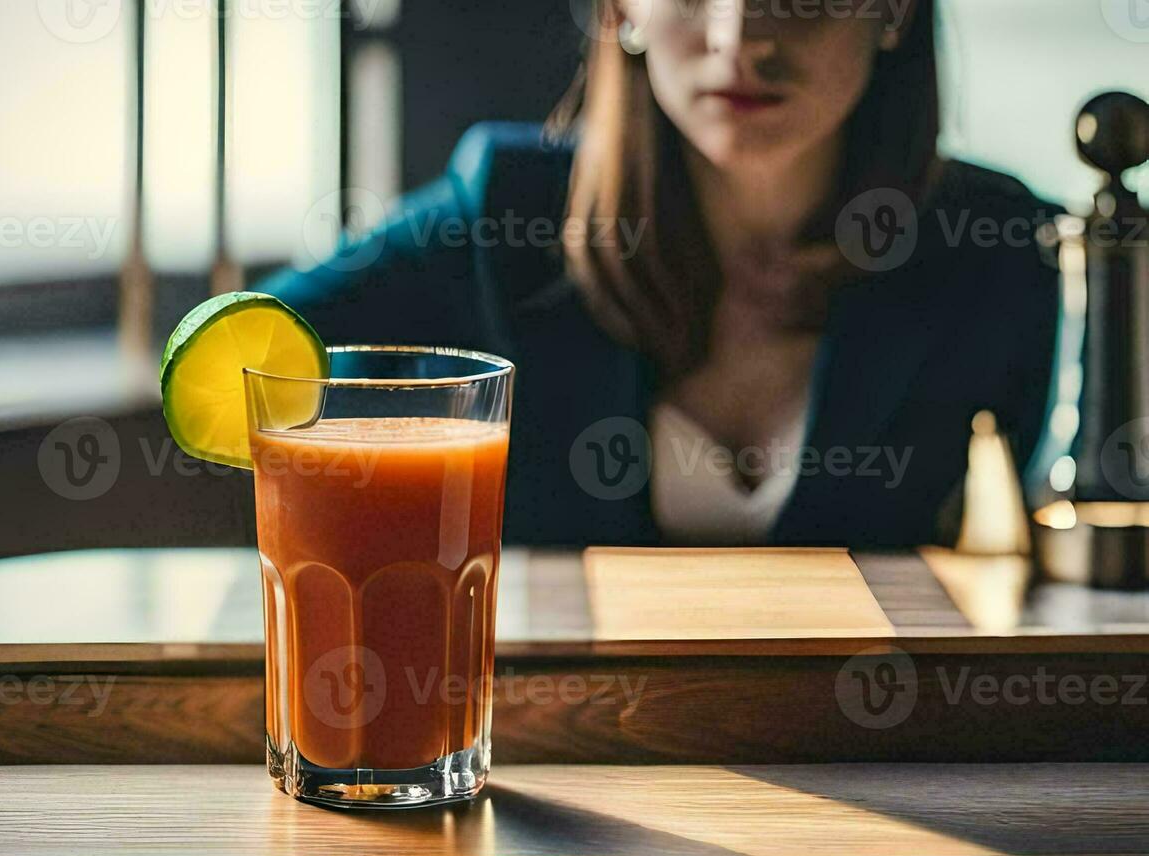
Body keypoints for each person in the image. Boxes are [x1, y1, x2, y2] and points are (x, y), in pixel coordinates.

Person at [257, 0, 1060, 548]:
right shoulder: (506, 206)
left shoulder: (996, 241)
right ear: (620, 10)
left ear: (895, 12)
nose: (739, 35)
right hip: (567, 765)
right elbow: (252, 347)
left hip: (900, 762)